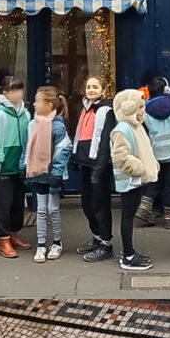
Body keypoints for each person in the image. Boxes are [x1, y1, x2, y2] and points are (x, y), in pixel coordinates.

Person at [21, 86, 72, 263]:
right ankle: (41, 244)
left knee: (53, 209)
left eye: (37, 100)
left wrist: (56, 174)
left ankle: (57, 242)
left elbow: (63, 150)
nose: (34, 103)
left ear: (49, 104)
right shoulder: (32, 124)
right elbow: (26, 148)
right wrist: (24, 167)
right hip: (37, 173)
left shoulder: (57, 126)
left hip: (52, 175)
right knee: (41, 210)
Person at [111, 89, 159, 270]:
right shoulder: (123, 129)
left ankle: (129, 253)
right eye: (140, 107)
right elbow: (120, 157)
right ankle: (128, 255)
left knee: (129, 216)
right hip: (129, 180)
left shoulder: (134, 125)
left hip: (134, 179)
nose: (142, 111)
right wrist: (140, 168)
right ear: (129, 108)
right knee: (128, 216)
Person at [0, 76, 32, 258]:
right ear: (5, 93)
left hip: (20, 165)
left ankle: (14, 234)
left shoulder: (26, 114)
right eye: (14, 90)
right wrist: (0, 157)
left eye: (20, 90)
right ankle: (3, 239)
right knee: (4, 204)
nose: (19, 93)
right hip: (5, 165)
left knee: (18, 203)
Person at [72, 75, 116, 262]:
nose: (91, 90)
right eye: (88, 86)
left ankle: (106, 244)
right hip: (85, 162)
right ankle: (97, 237)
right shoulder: (85, 108)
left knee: (100, 205)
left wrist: (100, 167)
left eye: (95, 87)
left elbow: (105, 141)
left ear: (104, 91)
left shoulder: (106, 110)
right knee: (87, 203)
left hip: (99, 164)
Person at [140, 76, 170, 230]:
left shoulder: (144, 108)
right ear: (167, 90)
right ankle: (169, 218)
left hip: (155, 152)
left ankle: (145, 207)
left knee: (155, 181)